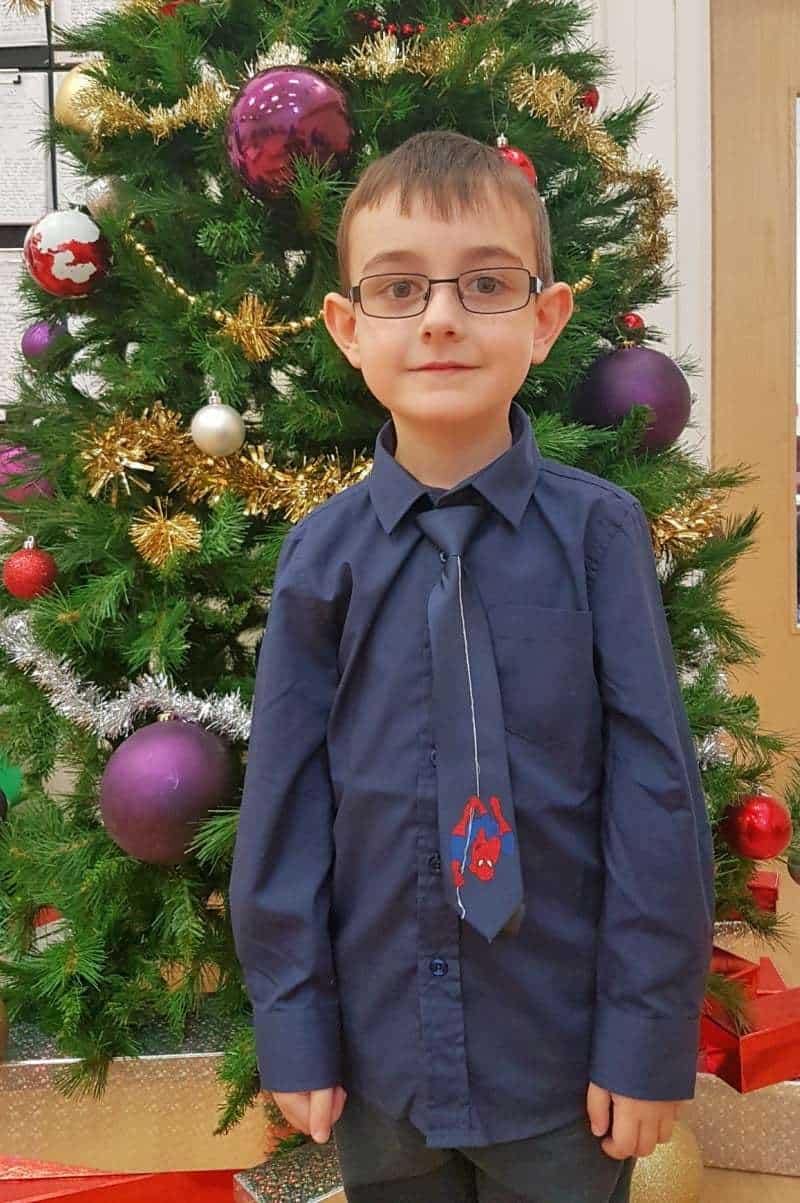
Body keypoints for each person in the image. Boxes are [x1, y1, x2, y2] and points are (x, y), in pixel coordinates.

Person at [229, 130, 716, 1203]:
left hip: (557, 1066)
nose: (441, 316)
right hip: (381, 1068)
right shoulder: (322, 555)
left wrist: (644, 1036)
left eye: (484, 284)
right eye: (399, 289)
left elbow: (654, 796)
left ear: (544, 319)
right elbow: (285, 801)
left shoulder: (599, 537)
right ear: (348, 331)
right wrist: (296, 1022)